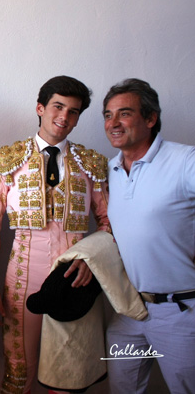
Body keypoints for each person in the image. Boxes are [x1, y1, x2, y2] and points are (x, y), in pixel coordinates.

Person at [0, 76, 111, 393]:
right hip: (23, 276)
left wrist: (92, 261)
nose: (64, 117)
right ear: (40, 108)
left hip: (75, 277)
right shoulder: (7, 160)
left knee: (67, 371)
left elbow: (108, 223)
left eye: (74, 111)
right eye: (58, 106)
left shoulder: (91, 164)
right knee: (19, 370)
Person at [103, 78, 195, 393]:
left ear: (151, 118)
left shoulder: (185, 161)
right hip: (128, 311)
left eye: (124, 114)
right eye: (107, 115)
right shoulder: (111, 171)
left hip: (180, 313)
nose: (113, 123)